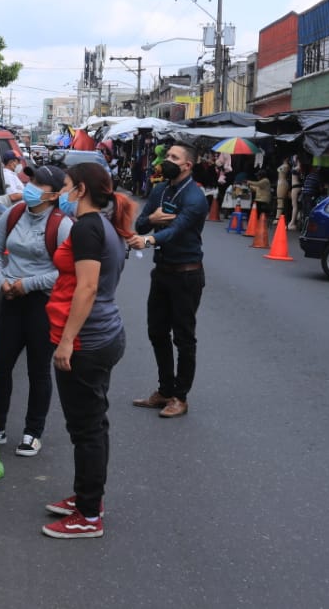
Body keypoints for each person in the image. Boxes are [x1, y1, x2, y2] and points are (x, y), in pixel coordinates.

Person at [41, 162, 136, 540]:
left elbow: (88, 288)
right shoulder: (106, 227)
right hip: (102, 334)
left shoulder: (87, 228)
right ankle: (86, 497)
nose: (60, 192)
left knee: (86, 428)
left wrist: (66, 341)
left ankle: (88, 514)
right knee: (92, 423)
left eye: (64, 186)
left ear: (79, 190)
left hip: (87, 341)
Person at [0, 165, 73, 458]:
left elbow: (66, 273)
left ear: (55, 194)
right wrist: (2, 281)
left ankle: (33, 432)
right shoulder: (12, 214)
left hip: (42, 305)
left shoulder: (62, 225)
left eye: (38, 183)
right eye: (31, 180)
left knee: (38, 371)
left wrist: (28, 284)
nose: (30, 186)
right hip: (11, 298)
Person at [129, 144, 209, 419]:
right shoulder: (159, 190)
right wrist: (150, 220)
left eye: (174, 158)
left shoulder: (196, 198)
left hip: (187, 274)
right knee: (157, 332)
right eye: (168, 156)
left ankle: (180, 397)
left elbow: (175, 231)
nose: (167, 161)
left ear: (187, 165)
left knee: (184, 338)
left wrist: (150, 238)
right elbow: (140, 224)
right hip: (161, 271)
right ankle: (164, 390)